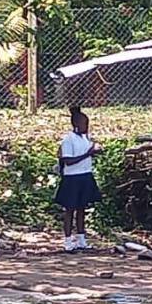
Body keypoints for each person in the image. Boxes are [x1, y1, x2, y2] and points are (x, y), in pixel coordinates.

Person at [55, 106, 103, 252]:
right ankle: (68, 242)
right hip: (72, 178)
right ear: (76, 124)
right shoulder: (68, 140)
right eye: (83, 124)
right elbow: (68, 160)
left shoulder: (85, 138)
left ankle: (82, 240)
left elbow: (88, 152)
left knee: (82, 208)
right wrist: (88, 154)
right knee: (69, 210)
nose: (86, 127)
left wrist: (95, 152)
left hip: (85, 175)